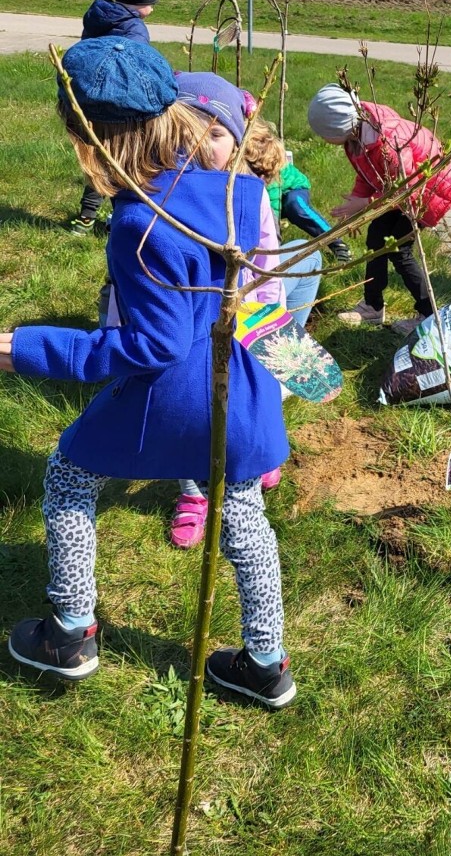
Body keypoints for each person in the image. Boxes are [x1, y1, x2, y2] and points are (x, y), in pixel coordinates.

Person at [0, 37, 296, 708]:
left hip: (171, 394)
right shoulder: (232, 190)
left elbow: (151, 346)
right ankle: (266, 661)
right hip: (232, 385)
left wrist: (25, 348)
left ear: (93, 142)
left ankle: (70, 632)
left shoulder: (139, 222)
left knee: (70, 477)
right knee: (243, 514)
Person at [168, 72, 322, 549]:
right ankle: (194, 494)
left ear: (234, 143)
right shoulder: (165, 192)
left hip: (245, 317)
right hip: (187, 322)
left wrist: (259, 317)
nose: (199, 145)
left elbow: (267, 262)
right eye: (186, 132)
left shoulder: (249, 196)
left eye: (214, 134)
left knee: (251, 394)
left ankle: (259, 455)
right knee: (189, 408)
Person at [306, 83, 451, 335]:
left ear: (338, 128)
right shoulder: (357, 133)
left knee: (400, 250)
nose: (323, 139)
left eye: (324, 134)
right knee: (376, 238)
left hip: (430, 189)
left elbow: (407, 187)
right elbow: (370, 173)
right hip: (402, 188)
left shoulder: (388, 140)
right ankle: (372, 307)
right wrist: (357, 204)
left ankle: (430, 316)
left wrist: (367, 205)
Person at [70, 0, 160, 235]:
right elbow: (137, 65)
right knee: (125, 159)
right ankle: (125, 217)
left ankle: (86, 217)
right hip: (122, 102)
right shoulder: (133, 28)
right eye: (151, 0)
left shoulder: (100, 15)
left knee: (99, 156)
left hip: (93, 98)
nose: (154, 7)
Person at [268, 159, 353, 265]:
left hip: (292, 188)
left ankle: (337, 243)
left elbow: (272, 204)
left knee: (296, 207)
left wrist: (274, 242)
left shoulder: (265, 163)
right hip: (270, 196)